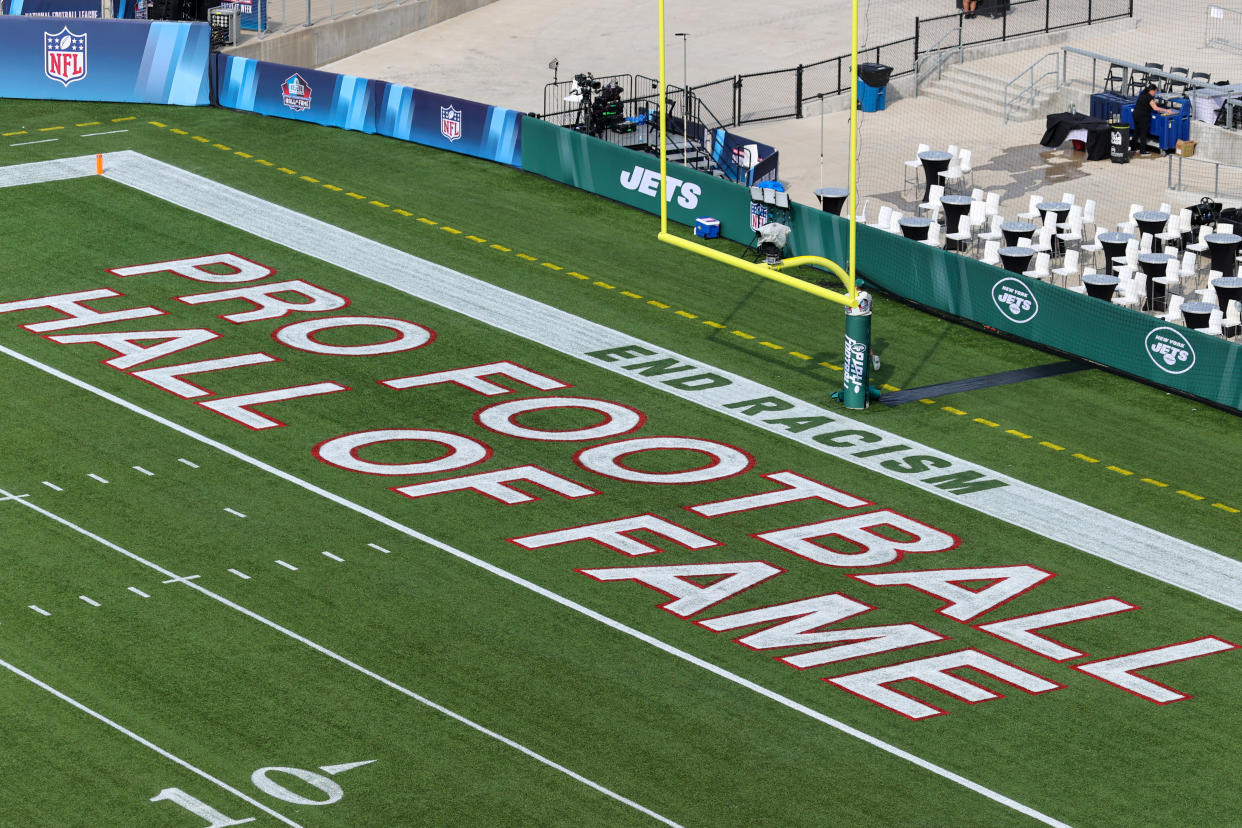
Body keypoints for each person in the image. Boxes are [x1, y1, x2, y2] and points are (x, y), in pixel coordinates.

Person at [1131, 83, 1173, 156]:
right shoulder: (1149, 97)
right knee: (1143, 133)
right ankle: (1143, 151)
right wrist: (1167, 110)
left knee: (1136, 131)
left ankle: (1133, 147)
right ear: (1152, 91)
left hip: (1136, 114)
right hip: (1143, 116)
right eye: (1155, 92)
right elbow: (1155, 108)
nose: (1155, 94)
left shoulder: (1142, 94)